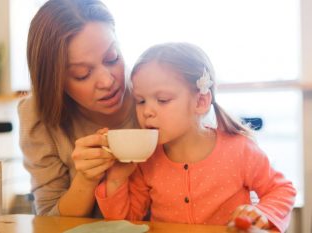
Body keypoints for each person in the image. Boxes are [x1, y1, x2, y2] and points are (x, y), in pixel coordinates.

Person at [95, 42, 296, 232]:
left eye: (162, 100)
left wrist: (262, 212)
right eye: (140, 101)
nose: (147, 111)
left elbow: (282, 190)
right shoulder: (146, 160)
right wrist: (115, 179)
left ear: (200, 101)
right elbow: (125, 223)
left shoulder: (240, 150)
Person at [18, 0, 139, 217]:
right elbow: (48, 220)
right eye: (82, 73)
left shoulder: (154, 92)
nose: (106, 81)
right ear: (55, 82)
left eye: (112, 58)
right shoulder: (38, 116)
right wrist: (86, 180)